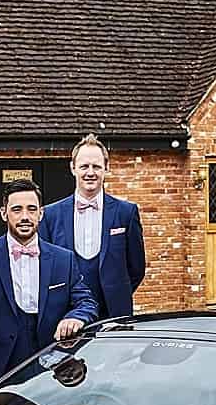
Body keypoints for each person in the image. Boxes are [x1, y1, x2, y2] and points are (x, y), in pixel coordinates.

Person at [0, 179, 98, 386]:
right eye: (17, 209)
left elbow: (86, 302)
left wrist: (75, 318)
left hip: (53, 362)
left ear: (40, 213)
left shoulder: (64, 259)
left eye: (31, 209)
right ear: (3, 213)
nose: (25, 216)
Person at [38, 133, 146, 318]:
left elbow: (137, 268)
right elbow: (45, 267)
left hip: (114, 314)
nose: (90, 172)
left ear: (106, 168)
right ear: (73, 168)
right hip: (66, 314)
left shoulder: (126, 213)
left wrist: (117, 292)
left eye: (96, 166)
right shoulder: (49, 215)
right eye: (84, 166)